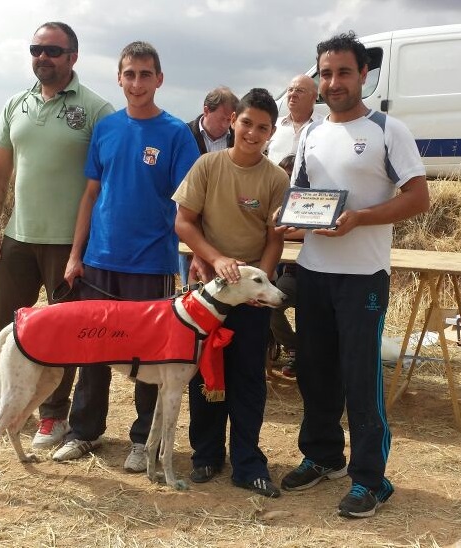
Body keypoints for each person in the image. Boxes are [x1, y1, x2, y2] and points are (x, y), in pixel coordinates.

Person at [279, 32, 429, 518]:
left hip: (363, 274)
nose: (334, 81)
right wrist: (290, 222)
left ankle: (372, 479)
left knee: (361, 380)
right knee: (316, 372)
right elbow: (301, 195)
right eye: (326, 73)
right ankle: (323, 456)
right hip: (314, 272)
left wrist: (361, 218)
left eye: (344, 72)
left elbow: (418, 197)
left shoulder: (388, 129)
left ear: (364, 74)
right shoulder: (311, 134)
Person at [52, 41, 200, 472]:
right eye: (129, 74)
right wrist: (75, 255)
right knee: (91, 350)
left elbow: (187, 205)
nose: (137, 83)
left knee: (146, 356)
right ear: (119, 78)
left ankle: (142, 441)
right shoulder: (107, 128)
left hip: (151, 264)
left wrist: (193, 258)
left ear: (159, 79)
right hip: (99, 261)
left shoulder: (176, 134)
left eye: (145, 74)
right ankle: (84, 432)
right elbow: (91, 195)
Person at [0, 22, 114, 449]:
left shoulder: (97, 110)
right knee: (9, 330)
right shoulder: (16, 104)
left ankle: (52, 417)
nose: (43, 57)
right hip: (17, 237)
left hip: (69, 244)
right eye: (37, 49)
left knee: (61, 336)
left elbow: (108, 180)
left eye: (53, 51)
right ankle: (9, 407)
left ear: (73, 56)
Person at [173, 88, 289, 498]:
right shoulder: (207, 166)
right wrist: (214, 258)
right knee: (205, 373)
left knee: (248, 378)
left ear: (272, 133)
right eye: (246, 123)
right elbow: (185, 223)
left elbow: (275, 239)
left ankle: (248, 462)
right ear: (232, 122)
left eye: (262, 127)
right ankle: (205, 455)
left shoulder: (277, 179)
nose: (252, 133)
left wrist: (262, 284)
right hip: (207, 295)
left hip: (252, 298)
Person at [179, 86, 239, 285]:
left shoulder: (237, 140)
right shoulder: (183, 134)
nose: (226, 124)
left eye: (230, 119)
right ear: (206, 110)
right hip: (187, 219)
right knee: (193, 287)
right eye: (222, 118)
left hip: (222, 224)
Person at [268, 154, 303, 378]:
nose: (286, 182)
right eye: (284, 177)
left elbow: (314, 228)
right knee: (270, 304)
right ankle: (294, 347)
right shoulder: (275, 200)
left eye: (290, 177)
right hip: (292, 273)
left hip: (319, 273)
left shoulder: (307, 199)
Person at [267, 74, 319, 165]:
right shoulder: (275, 124)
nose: (292, 94)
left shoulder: (323, 127)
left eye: (299, 90)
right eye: (290, 90)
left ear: (314, 97)